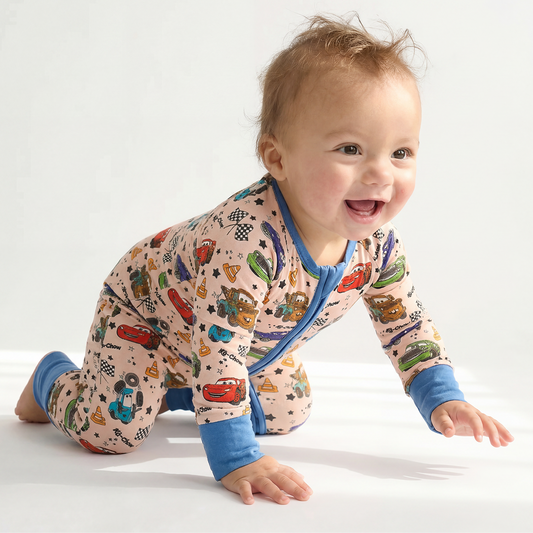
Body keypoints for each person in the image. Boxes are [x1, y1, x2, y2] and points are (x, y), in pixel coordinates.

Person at [15, 14, 513, 505]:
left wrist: (443, 396)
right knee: (112, 431)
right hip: (146, 315)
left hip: (239, 347)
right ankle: (52, 380)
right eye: (350, 149)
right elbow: (219, 350)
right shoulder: (248, 242)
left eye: (401, 153)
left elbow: (405, 324)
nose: (381, 172)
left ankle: (171, 389)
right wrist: (236, 458)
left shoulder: (378, 246)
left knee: (286, 410)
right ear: (277, 159)